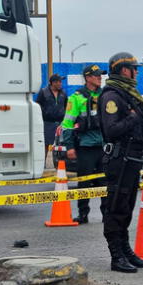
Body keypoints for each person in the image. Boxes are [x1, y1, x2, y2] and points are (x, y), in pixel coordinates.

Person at [98, 52, 143, 273]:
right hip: (119, 159)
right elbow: (111, 130)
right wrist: (132, 118)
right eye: (134, 68)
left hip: (132, 158)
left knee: (127, 207)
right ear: (124, 70)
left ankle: (126, 251)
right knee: (115, 208)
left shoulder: (128, 94)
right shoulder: (112, 96)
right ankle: (116, 256)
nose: (137, 72)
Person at [61, 65, 105, 224]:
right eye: (96, 75)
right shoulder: (76, 97)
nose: (100, 77)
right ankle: (83, 214)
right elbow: (67, 124)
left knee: (104, 182)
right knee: (84, 182)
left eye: (100, 75)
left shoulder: (105, 95)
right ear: (88, 78)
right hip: (85, 146)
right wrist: (70, 146)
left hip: (103, 146)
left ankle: (106, 214)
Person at [35, 74, 68, 155]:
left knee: (61, 144)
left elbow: (66, 106)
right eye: (58, 82)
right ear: (52, 83)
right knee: (45, 144)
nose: (60, 83)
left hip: (60, 123)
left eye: (60, 81)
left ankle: (59, 163)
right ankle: (43, 164)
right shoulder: (43, 92)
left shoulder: (63, 93)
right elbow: (37, 106)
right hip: (47, 123)